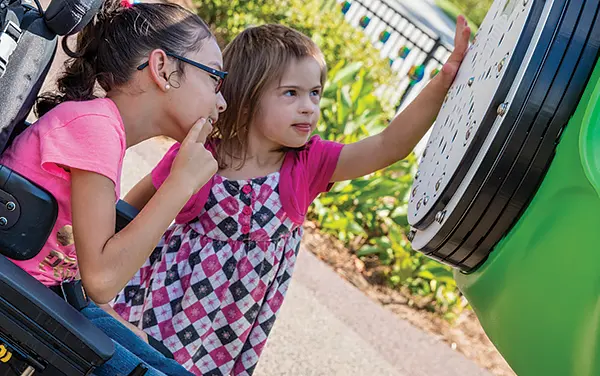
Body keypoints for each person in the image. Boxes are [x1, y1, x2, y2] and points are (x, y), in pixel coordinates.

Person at [111, 18, 471, 375]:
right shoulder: (201, 154)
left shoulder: (308, 164)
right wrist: (104, 253)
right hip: (165, 301)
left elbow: (387, 145)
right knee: (137, 363)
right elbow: (137, 199)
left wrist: (442, 81)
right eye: (291, 93)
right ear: (249, 98)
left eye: (315, 93)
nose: (308, 107)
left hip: (228, 333)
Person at [0, 0, 227, 374]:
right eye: (214, 79)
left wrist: (112, 319)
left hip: (49, 300)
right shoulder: (95, 128)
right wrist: (180, 184)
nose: (221, 102)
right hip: (23, 314)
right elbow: (103, 278)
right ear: (163, 69)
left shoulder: (102, 127)